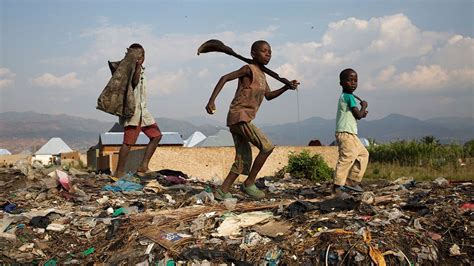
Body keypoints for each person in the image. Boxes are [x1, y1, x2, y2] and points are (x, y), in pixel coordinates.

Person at [205, 40, 299, 200]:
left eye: (270, 51)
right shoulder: (248, 69)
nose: (268, 54)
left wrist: (286, 87)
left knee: (243, 157)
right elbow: (224, 78)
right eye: (264, 51)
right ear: (253, 54)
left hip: (242, 119)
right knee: (267, 147)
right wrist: (211, 101)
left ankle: (223, 190)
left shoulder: (262, 75)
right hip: (239, 116)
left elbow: (268, 96)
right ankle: (249, 183)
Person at [113, 43, 162, 179]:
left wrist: (139, 66)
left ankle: (143, 165)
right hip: (132, 112)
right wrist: (137, 66)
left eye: (142, 55)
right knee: (128, 143)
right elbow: (133, 83)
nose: (141, 57)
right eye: (139, 55)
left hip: (143, 112)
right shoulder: (129, 69)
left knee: (156, 136)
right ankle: (119, 172)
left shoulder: (141, 69)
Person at [333, 68, 369, 193]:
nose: (353, 83)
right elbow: (358, 115)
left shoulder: (348, 97)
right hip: (345, 133)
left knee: (363, 154)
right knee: (347, 158)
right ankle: (337, 186)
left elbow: (356, 115)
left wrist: (362, 112)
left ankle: (352, 181)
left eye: (355, 80)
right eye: (349, 80)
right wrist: (363, 106)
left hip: (351, 134)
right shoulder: (348, 97)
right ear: (341, 83)